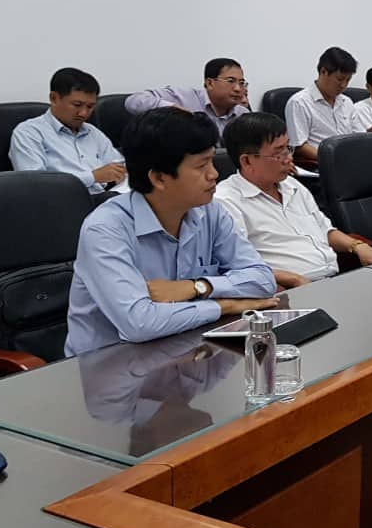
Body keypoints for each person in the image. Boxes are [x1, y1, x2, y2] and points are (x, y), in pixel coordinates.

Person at [65, 108, 278, 357]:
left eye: (212, 161)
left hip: (188, 351)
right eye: (201, 165)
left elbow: (263, 280)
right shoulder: (105, 229)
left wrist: (199, 287)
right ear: (159, 178)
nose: (214, 174)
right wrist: (225, 305)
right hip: (111, 365)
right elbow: (140, 323)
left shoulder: (209, 211)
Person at [215, 113, 372, 289]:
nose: (289, 158)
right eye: (278, 153)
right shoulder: (226, 201)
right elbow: (238, 266)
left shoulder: (291, 185)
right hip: (290, 291)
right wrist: (294, 280)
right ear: (247, 161)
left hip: (334, 280)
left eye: (288, 148)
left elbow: (325, 230)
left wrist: (358, 247)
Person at [10, 68, 125, 195]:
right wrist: (92, 177)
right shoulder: (29, 133)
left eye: (90, 106)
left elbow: (118, 165)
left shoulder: (93, 132)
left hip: (104, 197)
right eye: (77, 105)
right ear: (54, 98)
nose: (84, 113)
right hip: (61, 201)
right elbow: (35, 184)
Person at [125, 58, 251, 145]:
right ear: (210, 83)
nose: (237, 88)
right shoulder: (182, 97)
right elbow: (133, 101)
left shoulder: (242, 114)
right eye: (230, 81)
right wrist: (171, 109)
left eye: (241, 83)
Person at [286, 47, 359, 165]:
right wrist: (335, 159)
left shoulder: (347, 102)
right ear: (323, 72)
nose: (343, 85)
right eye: (340, 79)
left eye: (348, 80)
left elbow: (358, 137)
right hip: (321, 165)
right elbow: (299, 146)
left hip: (350, 163)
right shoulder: (299, 102)